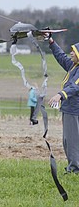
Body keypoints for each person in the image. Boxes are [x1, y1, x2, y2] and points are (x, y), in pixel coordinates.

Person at [47, 37, 79, 174]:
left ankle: (74, 169)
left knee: (71, 141)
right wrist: (51, 42)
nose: (71, 53)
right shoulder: (74, 66)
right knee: (69, 140)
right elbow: (61, 57)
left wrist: (60, 94)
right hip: (70, 109)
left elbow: (74, 87)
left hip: (74, 110)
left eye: (74, 51)